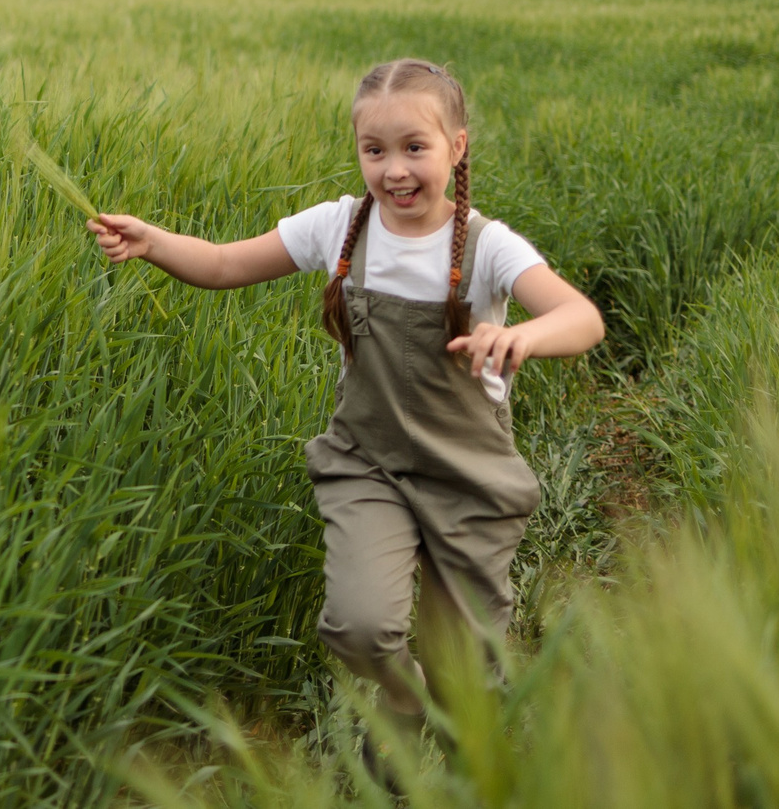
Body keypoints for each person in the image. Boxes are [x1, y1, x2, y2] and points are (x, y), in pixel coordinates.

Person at [88, 58, 602, 734]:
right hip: (369, 465)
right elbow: (222, 264)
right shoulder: (341, 229)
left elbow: (581, 317)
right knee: (359, 627)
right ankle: (400, 701)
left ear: (458, 146)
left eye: (415, 147)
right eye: (374, 149)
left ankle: (464, 767)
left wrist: (524, 338)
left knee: (466, 673)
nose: (394, 169)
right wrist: (152, 241)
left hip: (467, 473)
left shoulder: (486, 245)